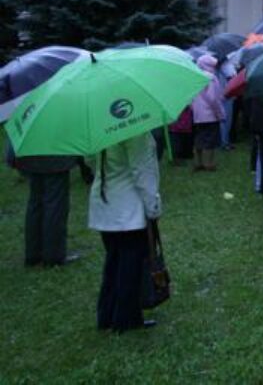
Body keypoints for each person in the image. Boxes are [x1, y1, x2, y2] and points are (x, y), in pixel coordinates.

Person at [87, 133, 161, 332]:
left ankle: (107, 316)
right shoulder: (135, 130)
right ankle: (126, 319)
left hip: (106, 202)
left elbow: (90, 160)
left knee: (114, 262)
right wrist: (152, 207)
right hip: (127, 208)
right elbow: (142, 171)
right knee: (130, 265)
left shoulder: (100, 126)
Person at [6, 144, 83, 267]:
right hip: (56, 153)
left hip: (31, 153)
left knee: (35, 202)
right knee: (55, 206)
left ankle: (33, 254)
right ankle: (54, 256)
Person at [191, 54, 225, 171]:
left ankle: (198, 163)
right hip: (210, 114)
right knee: (209, 140)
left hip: (197, 115)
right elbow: (213, 98)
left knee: (199, 139)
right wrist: (219, 113)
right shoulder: (211, 77)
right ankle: (208, 164)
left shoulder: (195, 76)